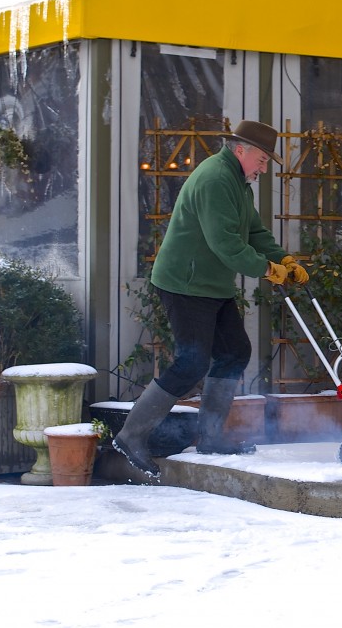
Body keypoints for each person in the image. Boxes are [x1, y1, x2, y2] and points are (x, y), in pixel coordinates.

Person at [113, 119, 309, 479]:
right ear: (241, 150)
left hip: (211, 284)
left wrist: (284, 259)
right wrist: (267, 269)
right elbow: (228, 246)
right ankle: (131, 435)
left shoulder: (239, 181)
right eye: (263, 159)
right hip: (184, 282)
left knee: (234, 351)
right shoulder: (216, 179)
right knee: (191, 362)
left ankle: (211, 436)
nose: (264, 167)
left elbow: (253, 231)